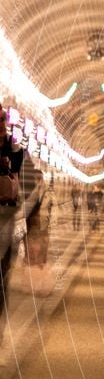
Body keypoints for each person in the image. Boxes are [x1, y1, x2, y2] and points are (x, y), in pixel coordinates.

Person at [0, 107, 23, 316]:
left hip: (6, 213)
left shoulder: (14, 147)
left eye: (1, 120)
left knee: (3, 267)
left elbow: (16, 177)